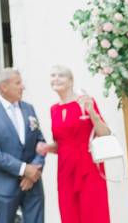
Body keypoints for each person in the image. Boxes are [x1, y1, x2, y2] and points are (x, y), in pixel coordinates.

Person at [37, 65, 111, 223]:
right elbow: (61, 144)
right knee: (69, 215)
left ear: (71, 81)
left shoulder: (85, 102)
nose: (56, 79)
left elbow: (104, 134)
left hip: (88, 167)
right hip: (65, 170)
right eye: (53, 75)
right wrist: (47, 148)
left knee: (93, 213)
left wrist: (92, 112)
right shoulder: (54, 110)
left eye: (61, 76)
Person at [0, 68, 46, 223]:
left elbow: (40, 142)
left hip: (33, 185)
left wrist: (34, 170)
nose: (23, 87)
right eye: (18, 83)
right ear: (4, 87)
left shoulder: (29, 108)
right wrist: (23, 169)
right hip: (4, 186)